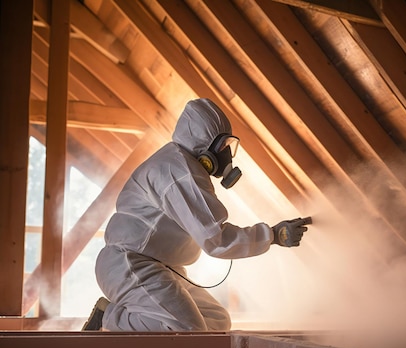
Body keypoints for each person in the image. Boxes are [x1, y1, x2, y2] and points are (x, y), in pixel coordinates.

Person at [82, 98, 309, 331]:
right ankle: (107, 317)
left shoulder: (184, 165)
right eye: (222, 147)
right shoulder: (177, 171)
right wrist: (272, 235)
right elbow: (216, 240)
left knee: (218, 320)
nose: (227, 154)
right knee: (186, 328)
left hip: (163, 268)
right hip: (130, 263)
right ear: (202, 145)